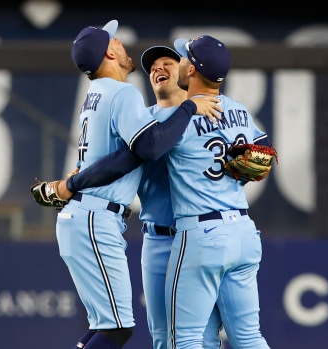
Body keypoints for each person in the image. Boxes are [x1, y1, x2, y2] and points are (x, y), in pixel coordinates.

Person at [54, 20, 222, 349]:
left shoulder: (97, 94)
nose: (120, 43)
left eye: (167, 63)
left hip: (93, 215)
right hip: (101, 219)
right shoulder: (125, 95)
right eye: (114, 39)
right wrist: (189, 106)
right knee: (119, 329)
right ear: (109, 52)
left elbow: (121, 159)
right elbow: (149, 146)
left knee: (108, 325)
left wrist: (71, 183)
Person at [163, 35, 272, 349]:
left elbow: (146, 147)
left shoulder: (178, 117)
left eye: (184, 56)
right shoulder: (239, 110)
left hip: (202, 234)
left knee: (184, 340)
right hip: (242, 231)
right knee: (249, 337)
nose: (179, 61)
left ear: (193, 70)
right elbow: (264, 161)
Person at [138, 45, 223, 349]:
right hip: (159, 239)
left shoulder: (212, 113)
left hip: (202, 236)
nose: (157, 68)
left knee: (204, 336)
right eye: (152, 67)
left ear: (187, 71)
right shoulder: (140, 121)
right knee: (163, 336)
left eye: (166, 63)